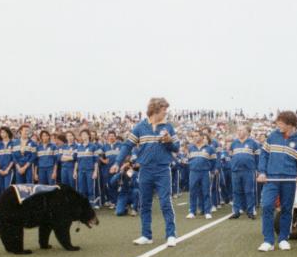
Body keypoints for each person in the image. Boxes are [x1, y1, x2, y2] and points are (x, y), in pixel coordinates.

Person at [111, 97, 179, 247]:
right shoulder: (140, 127)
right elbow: (127, 145)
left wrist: (169, 141)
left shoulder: (168, 127)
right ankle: (146, 235)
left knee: (165, 202)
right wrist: (117, 162)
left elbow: (176, 148)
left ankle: (171, 235)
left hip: (162, 169)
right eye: (164, 110)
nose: (166, 113)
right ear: (155, 110)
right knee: (145, 203)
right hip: (145, 170)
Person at [256, 111, 297, 252]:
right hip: (271, 178)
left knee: (287, 208)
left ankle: (283, 239)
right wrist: (262, 172)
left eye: (281, 123)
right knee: (267, 206)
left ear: (290, 124)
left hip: (289, 179)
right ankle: (268, 241)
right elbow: (264, 155)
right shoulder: (273, 136)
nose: (278, 125)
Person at [229, 125, 259, 219]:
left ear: (246, 131)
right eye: (238, 130)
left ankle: (250, 211)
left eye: (241, 130)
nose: (239, 131)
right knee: (236, 191)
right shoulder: (234, 143)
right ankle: (236, 211)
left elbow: (258, 158)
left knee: (249, 191)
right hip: (236, 171)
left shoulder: (253, 143)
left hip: (249, 171)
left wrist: (257, 169)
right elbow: (231, 156)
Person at [186, 132, 215, 220]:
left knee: (206, 192)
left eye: (196, 136)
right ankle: (192, 211)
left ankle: (207, 212)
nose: (194, 137)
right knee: (193, 192)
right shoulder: (190, 148)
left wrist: (211, 169)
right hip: (193, 172)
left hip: (205, 172)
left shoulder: (209, 148)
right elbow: (188, 159)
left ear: (202, 137)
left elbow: (213, 161)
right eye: (193, 136)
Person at [75, 129, 99, 208]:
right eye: (82, 135)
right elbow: (77, 161)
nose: (83, 136)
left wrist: (95, 172)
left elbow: (96, 161)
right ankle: (83, 205)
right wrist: (75, 171)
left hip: (90, 170)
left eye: (85, 134)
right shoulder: (79, 147)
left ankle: (91, 204)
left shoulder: (93, 146)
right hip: (81, 170)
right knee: (81, 188)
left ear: (88, 135)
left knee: (90, 188)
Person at [0, 126, 15, 193]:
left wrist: (7, 169)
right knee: (1, 188)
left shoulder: (13, 144)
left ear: (8, 133)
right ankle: (3, 203)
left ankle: (8, 203)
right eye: (1, 132)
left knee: (7, 188)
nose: (2, 134)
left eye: (3, 132)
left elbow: (13, 159)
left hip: (9, 170)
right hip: (0, 170)